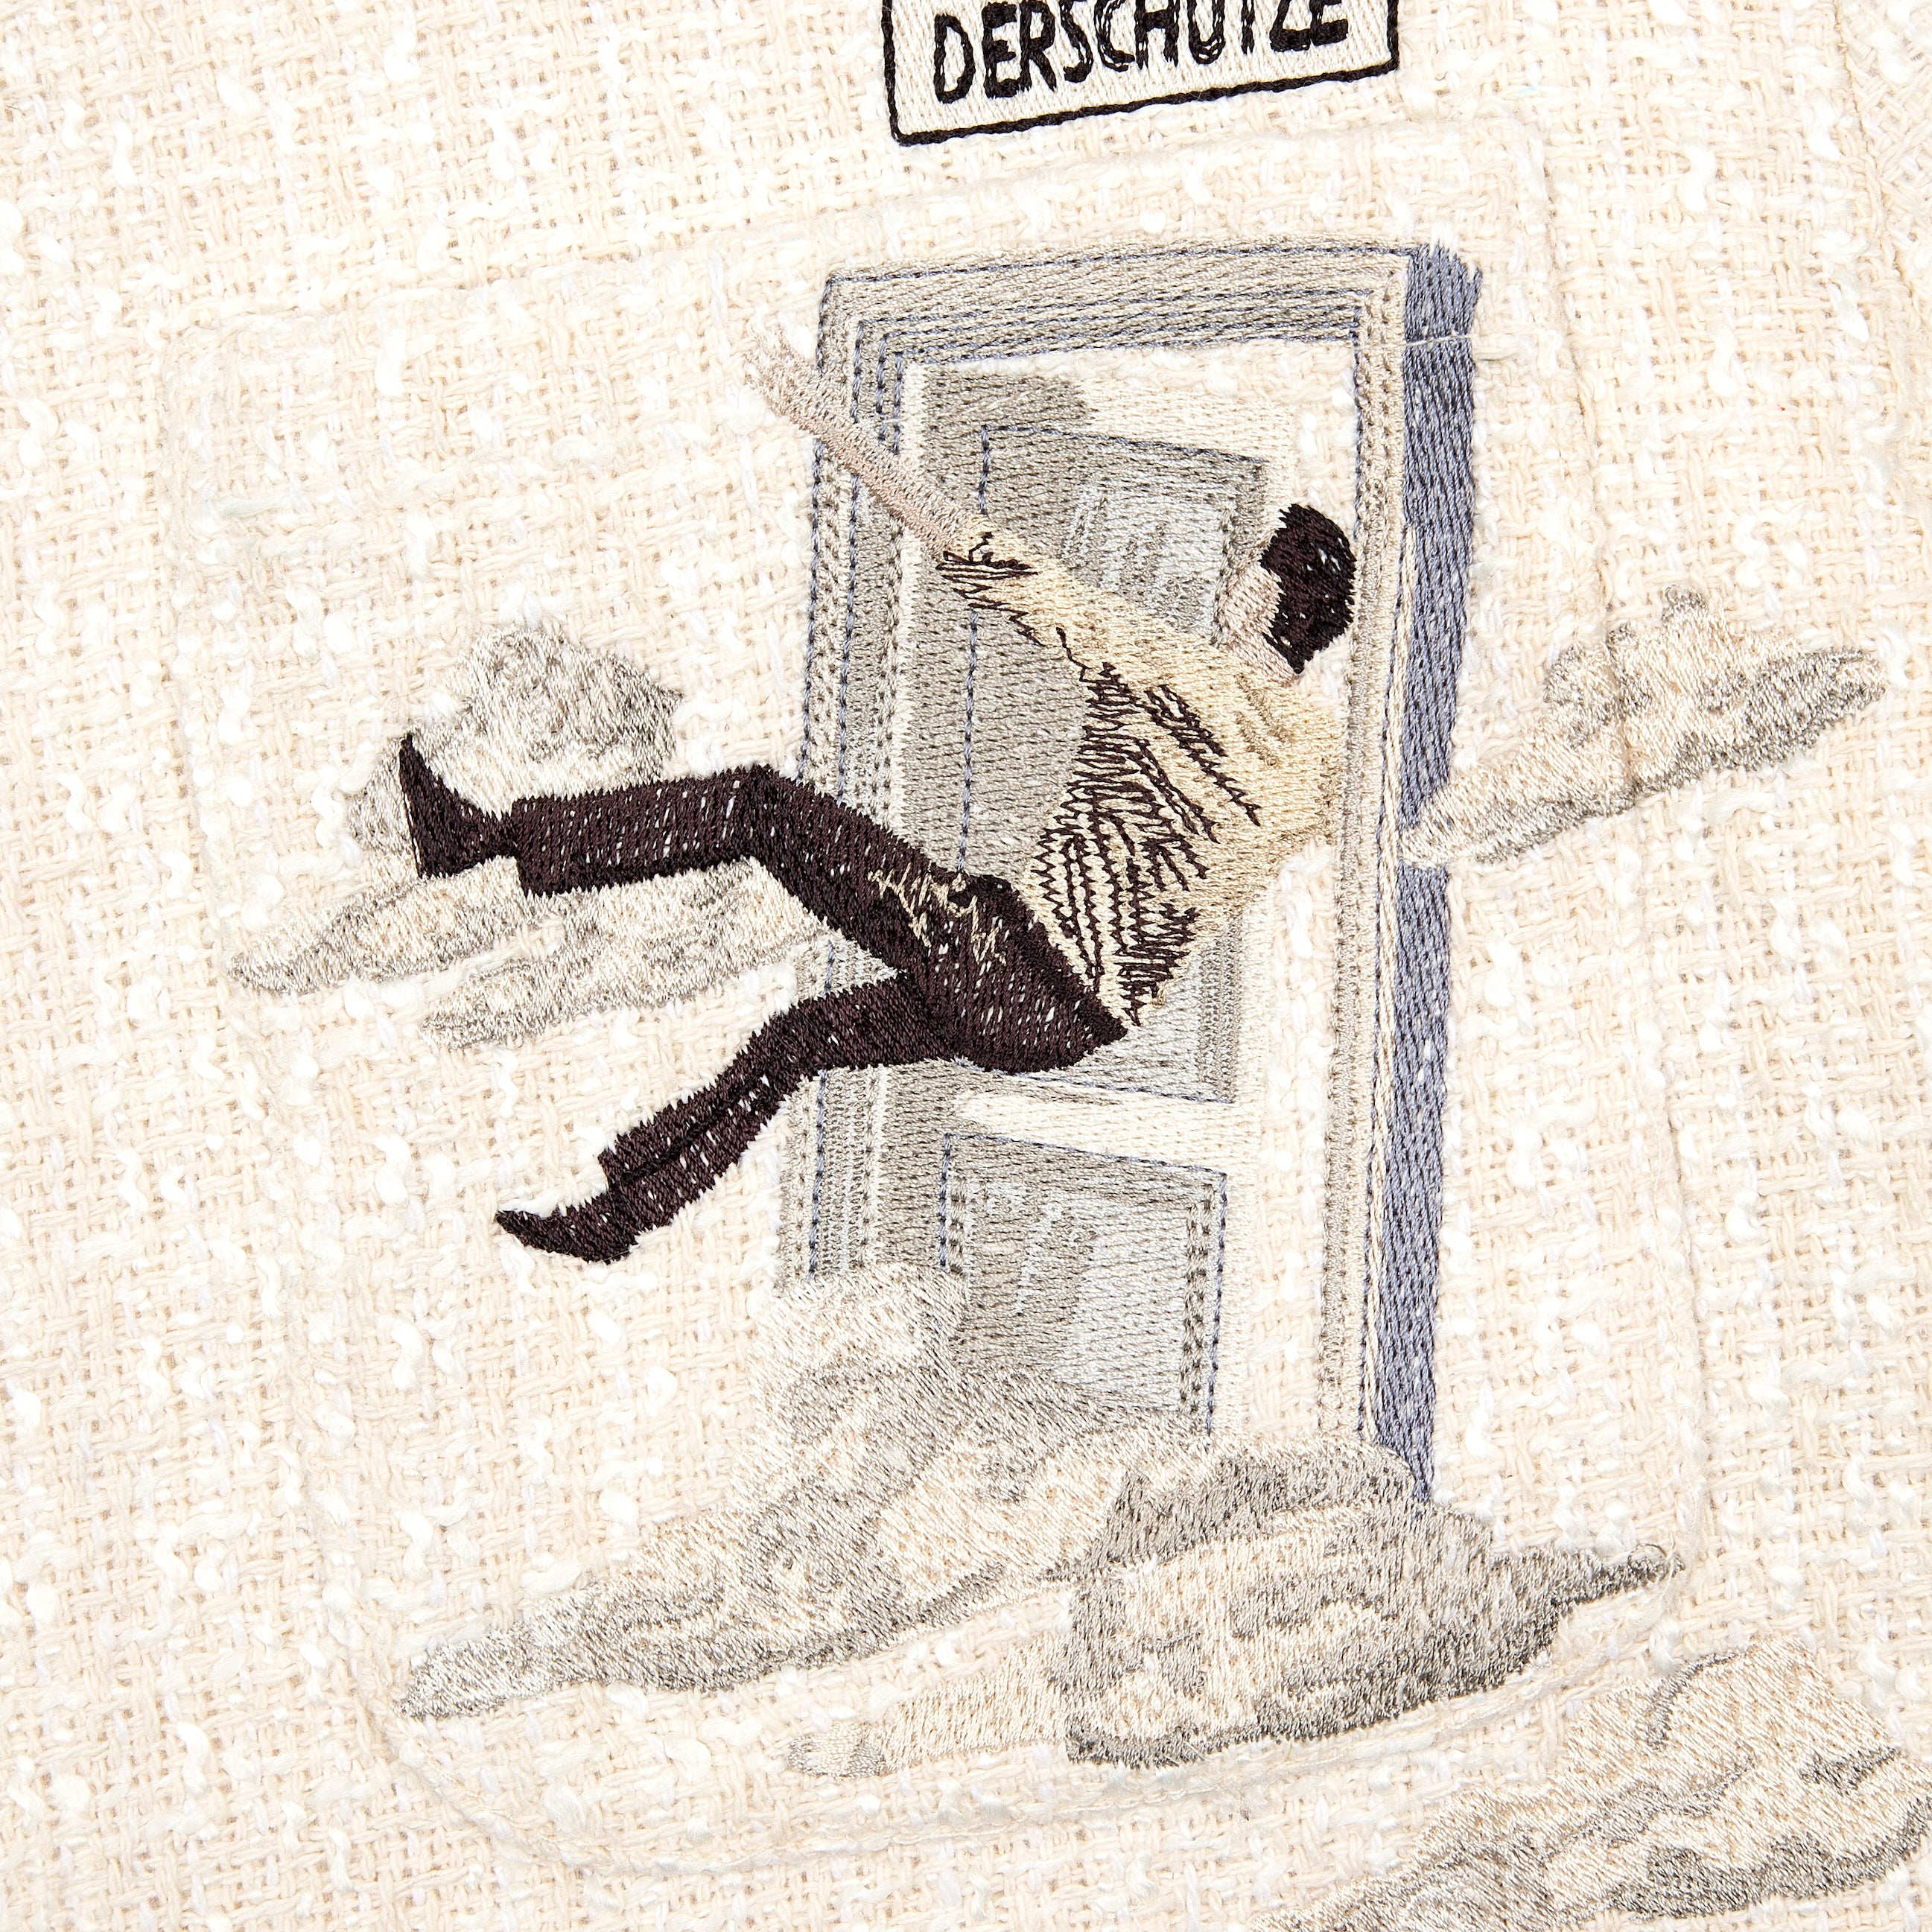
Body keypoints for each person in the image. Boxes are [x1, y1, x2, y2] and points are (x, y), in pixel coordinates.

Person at [397, 340, 1357, 1262]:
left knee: (757, 809)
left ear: (1264, 600)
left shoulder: (1165, 666)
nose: (1229, 586)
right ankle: (622, 1216)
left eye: (1247, 573)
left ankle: (483, 839)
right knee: (801, 1040)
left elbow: (980, 553)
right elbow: (1384, 822)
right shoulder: (1316, 767)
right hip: (1066, 1031)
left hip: (999, 957)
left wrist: (826, 420)